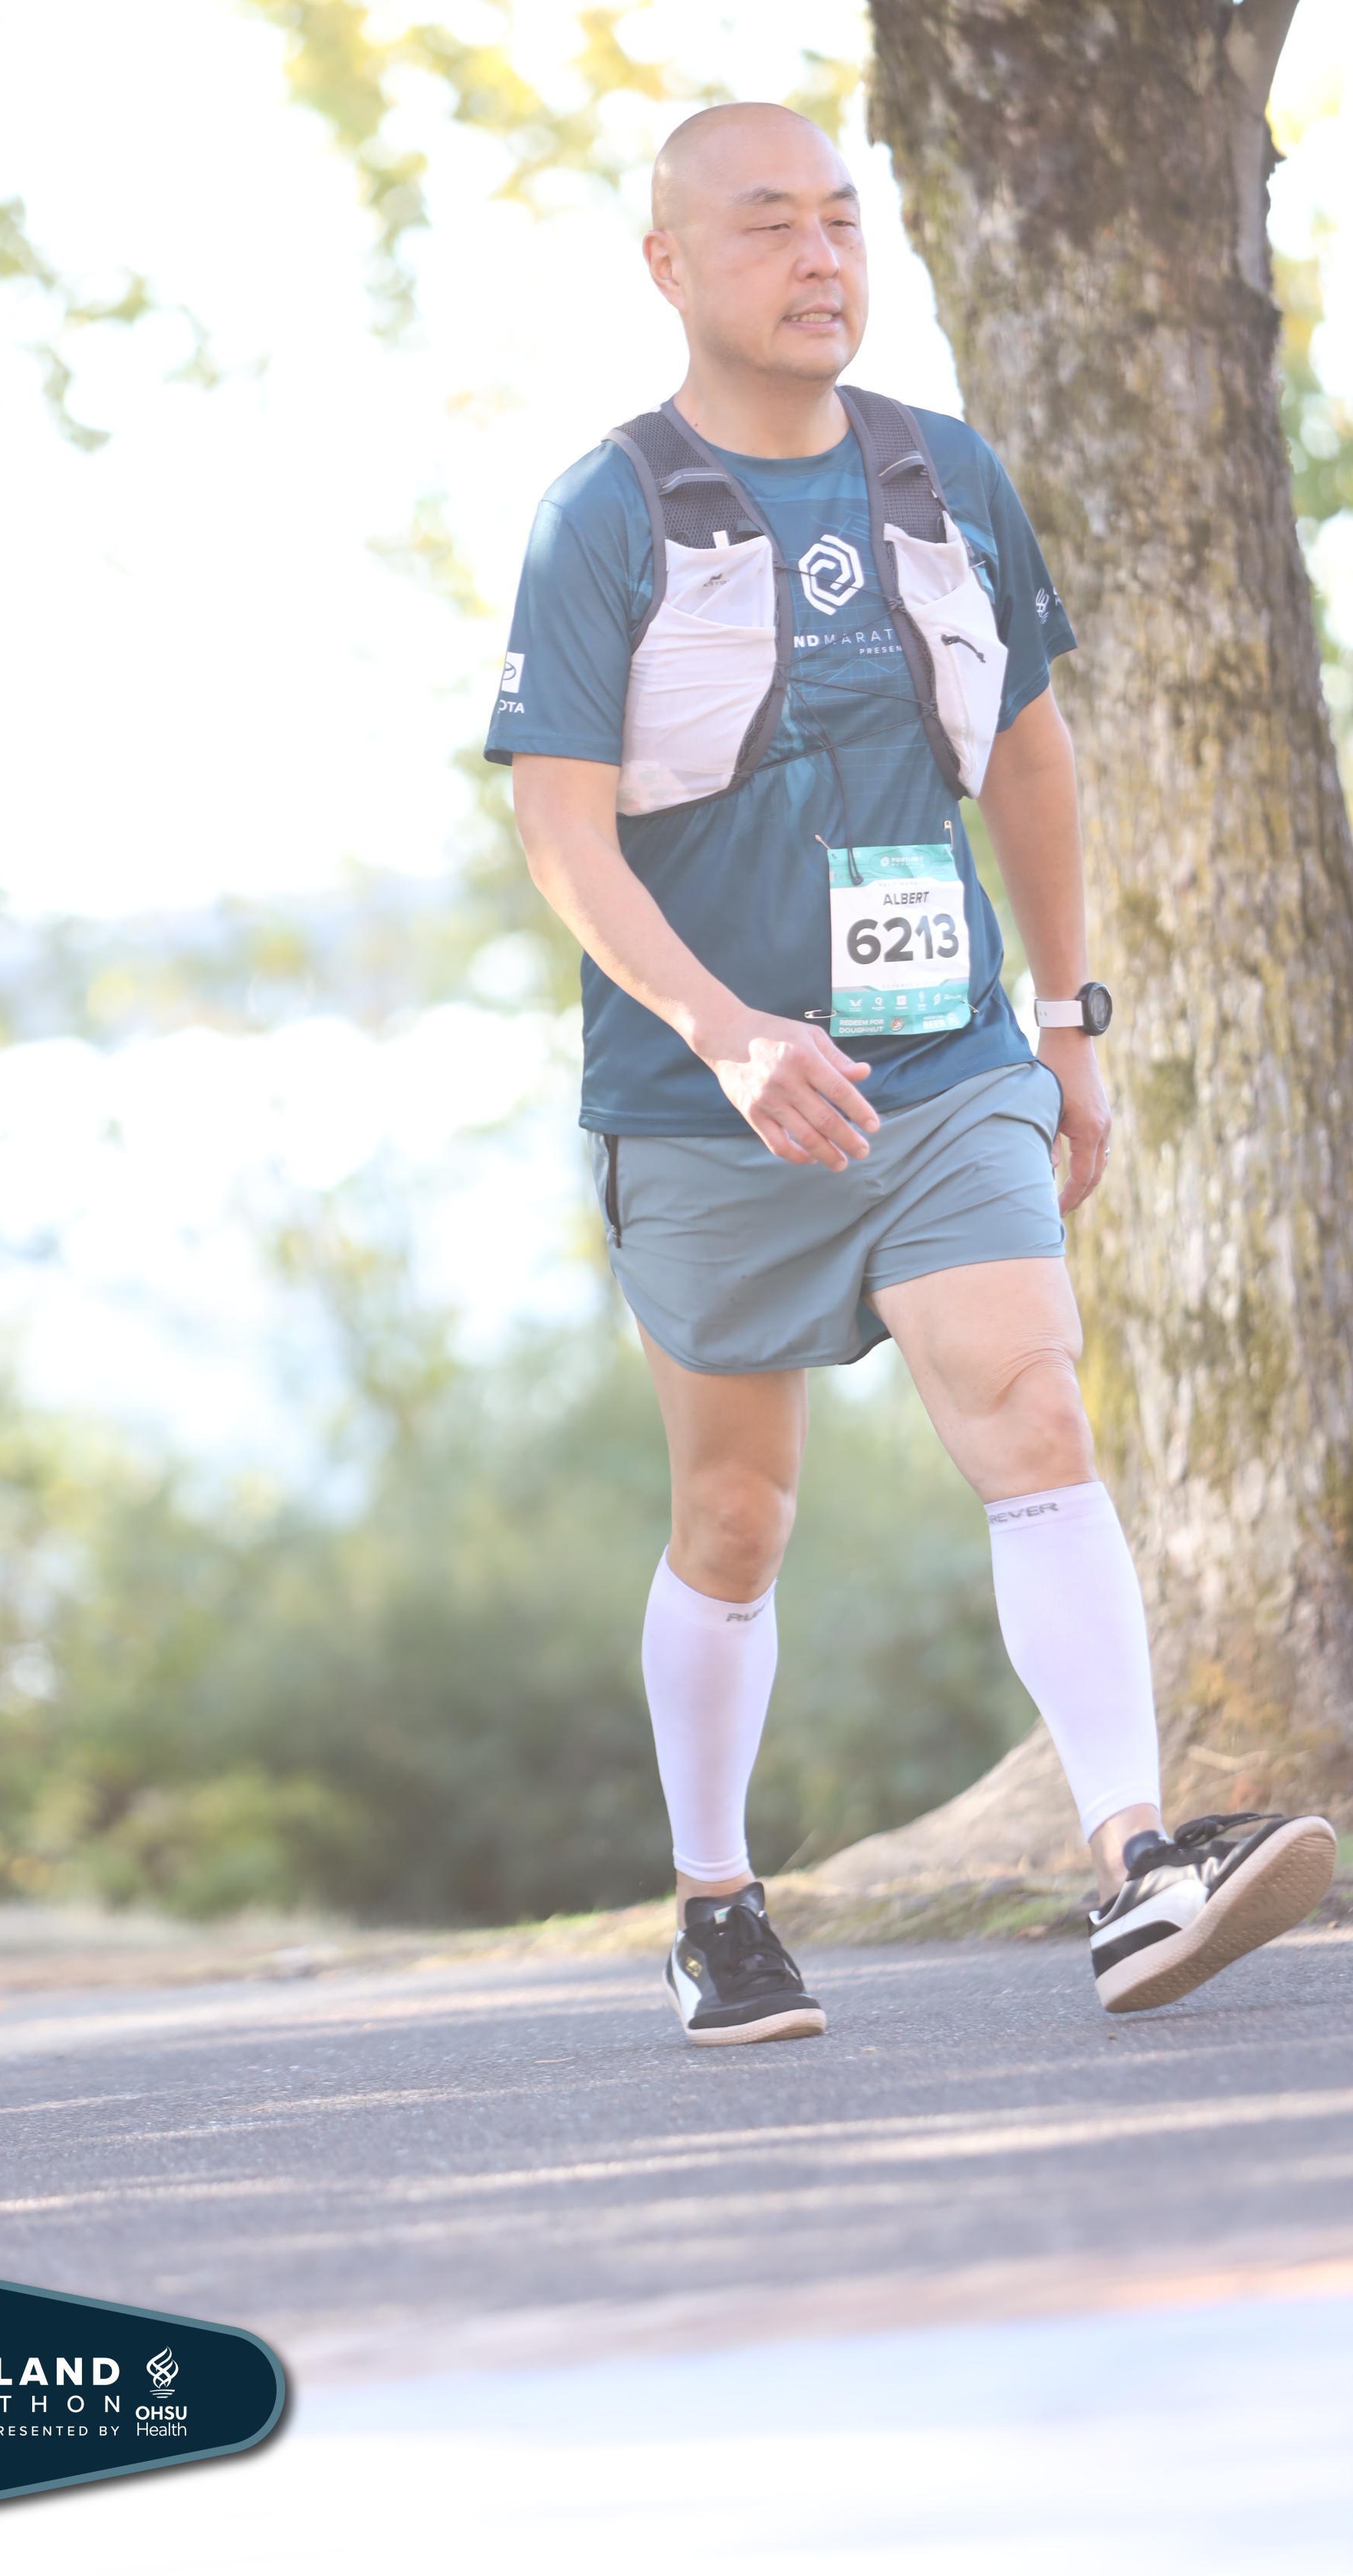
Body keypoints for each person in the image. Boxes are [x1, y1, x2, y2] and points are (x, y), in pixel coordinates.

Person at [485, 100, 1335, 2044]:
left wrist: (1066, 1020)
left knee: (1033, 1411)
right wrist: (724, 1030)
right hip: (709, 1103)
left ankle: (1133, 1865)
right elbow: (560, 832)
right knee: (735, 1517)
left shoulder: (943, 477)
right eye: (768, 224)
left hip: (946, 1062)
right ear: (668, 265)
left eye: (841, 220)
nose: (819, 257)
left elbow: (1026, 753)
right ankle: (717, 1907)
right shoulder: (603, 512)